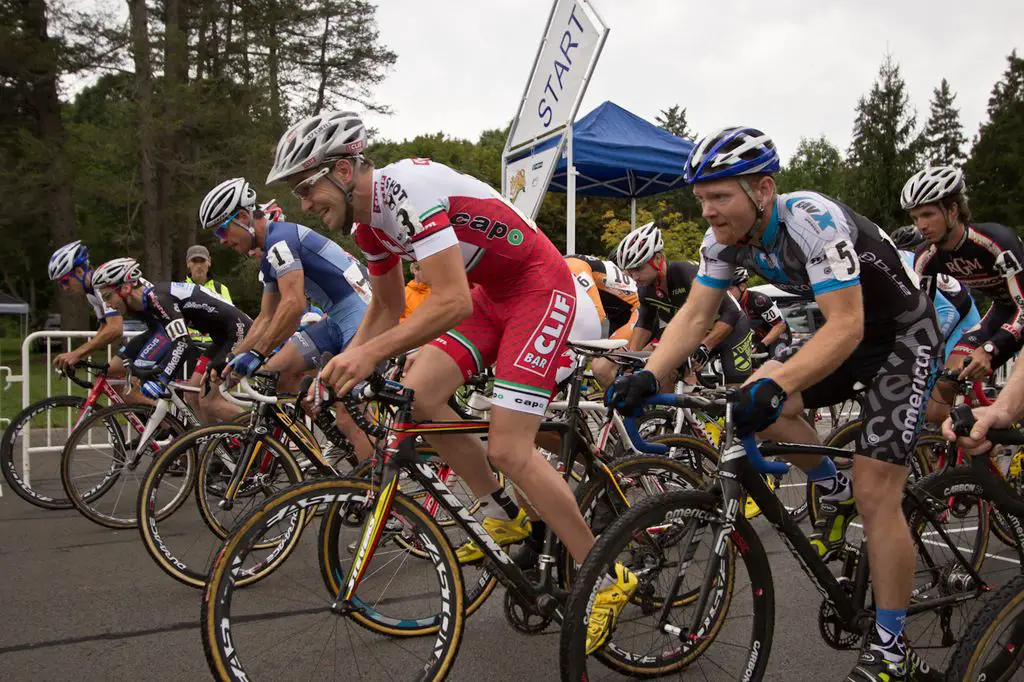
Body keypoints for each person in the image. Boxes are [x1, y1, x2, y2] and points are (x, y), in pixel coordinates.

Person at [265, 109, 634, 656]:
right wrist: (342, 364)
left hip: (538, 285)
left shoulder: (404, 192)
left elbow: (449, 300)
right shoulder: (370, 226)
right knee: (417, 393)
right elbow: (387, 308)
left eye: (307, 186)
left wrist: (366, 357)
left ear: (344, 169)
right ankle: (503, 516)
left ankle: (608, 577)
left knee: (510, 447)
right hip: (492, 295)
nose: (305, 203)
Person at [606, 127, 941, 682]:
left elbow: (848, 324)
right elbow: (693, 317)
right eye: (702, 199)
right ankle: (834, 491)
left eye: (720, 197)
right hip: (847, 332)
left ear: (762, 189)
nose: (709, 211)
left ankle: (890, 648)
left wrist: (777, 381)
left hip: (902, 337)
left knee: (877, 488)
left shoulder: (814, 219)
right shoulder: (722, 242)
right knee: (759, 399)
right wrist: (648, 374)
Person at [197, 176, 374, 461]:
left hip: (363, 314)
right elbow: (266, 318)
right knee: (277, 371)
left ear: (243, 217)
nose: (222, 241)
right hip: (338, 317)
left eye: (222, 230)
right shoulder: (270, 253)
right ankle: (334, 452)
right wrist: (230, 360)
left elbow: (294, 306)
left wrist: (255, 352)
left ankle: (378, 495)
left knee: (348, 418)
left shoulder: (280, 240)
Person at [901, 166, 1024, 386]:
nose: (921, 225)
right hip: (1003, 311)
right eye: (915, 217)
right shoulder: (926, 256)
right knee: (949, 379)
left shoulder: (995, 242)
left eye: (928, 214)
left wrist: (989, 348)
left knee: (1015, 388)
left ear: (952, 210)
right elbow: (922, 314)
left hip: (1020, 309)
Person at [90, 258, 251, 423]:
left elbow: (183, 343)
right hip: (222, 338)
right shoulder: (148, 301)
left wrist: (161, 379)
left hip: (239, 332)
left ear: (125, 288)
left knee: (209, 402)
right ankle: (213, 446)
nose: (108, 305)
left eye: (108, 296)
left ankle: (263, 437)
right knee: (191, 394)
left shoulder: (158, 299)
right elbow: (167, 338)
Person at [615, 222, 754, 387]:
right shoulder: (646, 289)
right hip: (698, 333)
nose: (635, 277)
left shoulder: (685, 274)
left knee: (736, 397)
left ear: (658, 259)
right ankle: (670, 413)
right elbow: (645, 323)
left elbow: (732, 311)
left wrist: (706, 346)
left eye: (638, 269)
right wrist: (631, 358)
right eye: (630, 272)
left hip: (731, 329)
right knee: (661, 373)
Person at [565, 254, 639, 387]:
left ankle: (626, 405)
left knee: (601, 369)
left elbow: (597, 313)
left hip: (635, 311)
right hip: (617, 313)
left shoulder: (572, 266)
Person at [728, 267, 792, 360]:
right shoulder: (729, 304)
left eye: (730, 289)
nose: (726, 293)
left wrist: (763, 344)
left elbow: (780, 325)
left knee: (775, 364)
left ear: (742, 286)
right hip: (757, 338)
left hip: (778, 335)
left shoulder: (759, 300)